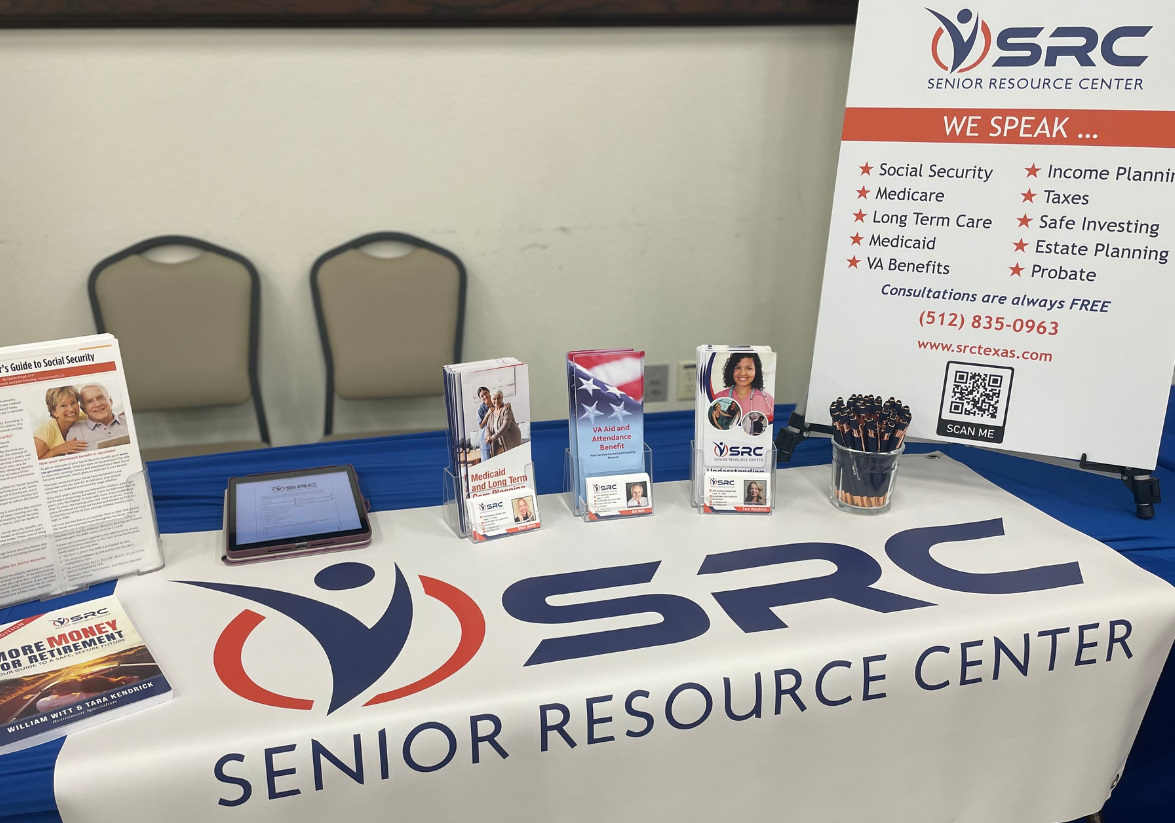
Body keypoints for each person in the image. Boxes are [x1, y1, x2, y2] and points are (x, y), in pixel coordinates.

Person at [715, 353, 775, 422]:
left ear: (756, 371)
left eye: (749, 368)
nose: (742, 373)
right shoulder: (717, 398)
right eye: (738, 368)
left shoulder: (768, 400)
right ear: (731, 370)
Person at [66, 383, 128, 450]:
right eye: (89, 401)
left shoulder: (128, 421)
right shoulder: (76, 431)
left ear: (110, 401)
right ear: (84, 409)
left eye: (100, 398)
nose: (97, 404)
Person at [34, 386, 89, 460]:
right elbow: (33, 465)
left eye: (73, 403)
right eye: (63, 405)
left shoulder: (85, 417)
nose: (71, 409)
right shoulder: (46, 431)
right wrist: (57, 450)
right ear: (54, 412)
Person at [486, 390, 522, 456]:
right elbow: (488, 426)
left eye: (499, 398)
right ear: (491, 399)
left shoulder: (506, 409)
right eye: (494, 399)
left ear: (502, 398)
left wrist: (492, 438)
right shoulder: (492, 412)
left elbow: (505, 426)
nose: (496, 401)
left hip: (511, 439)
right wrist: (488, 435)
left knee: (512, 458)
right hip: (499, 440)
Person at [475, 387, 493, 464]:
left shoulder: (497, 403)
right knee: (487, 463)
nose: (485, 396)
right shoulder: (480, 409)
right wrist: (488, 413)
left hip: (497, 436)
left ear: (489, 392)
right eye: (482, 396)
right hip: (485, 439)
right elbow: (481, 426)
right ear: (480, 398)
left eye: (485, 393)